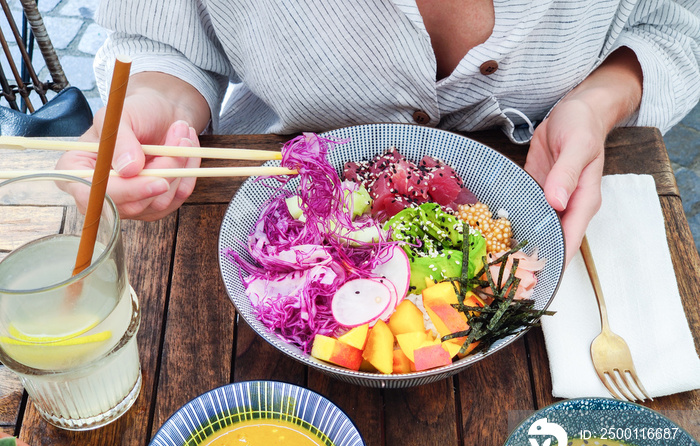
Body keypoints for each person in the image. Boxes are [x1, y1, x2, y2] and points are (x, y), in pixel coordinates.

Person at [57, 0, 700, 263]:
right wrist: (151, 108)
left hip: (558, 213)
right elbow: (162, 41)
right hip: (266, 215)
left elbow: (677, 21)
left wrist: (598, 99)